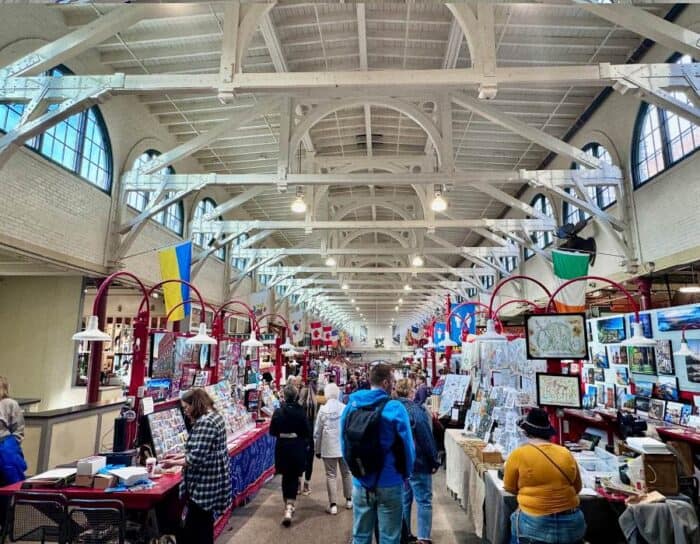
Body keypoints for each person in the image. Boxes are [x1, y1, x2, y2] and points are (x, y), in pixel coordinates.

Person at [341, 363, 416, 544]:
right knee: (390, 537)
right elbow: (408, 447)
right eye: (392, 381)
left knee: (360, 536)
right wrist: (406, 473)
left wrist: (356, 471)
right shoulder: (395, 408)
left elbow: (344, 444)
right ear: (385, 383)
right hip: (391, 480)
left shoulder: (351, 406)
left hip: (361, 481)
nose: (394, 384)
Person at [503, 408, 585, 544]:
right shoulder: (565, 453)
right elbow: (577, 487)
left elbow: (510, 488)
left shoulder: (518, 455)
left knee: (513, 519)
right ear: (548, 433)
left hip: (534, 524)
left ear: (526, 432)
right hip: (572, 525)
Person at [161, 388, 231, 544]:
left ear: (195, 405)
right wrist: (178, 456)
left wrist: (171, 463)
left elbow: (195, 458)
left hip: (204, 483)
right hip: (214, 478)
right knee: (204, 525)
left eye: (186, 407)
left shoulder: (205, 423)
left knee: (197, 527)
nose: (185, 411)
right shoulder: (215, 417)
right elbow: (205, 450)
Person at [395, 379, 440, 544]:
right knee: (424, 501)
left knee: (405, 499)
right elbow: (426, 438)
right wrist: (434, 461)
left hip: (400, 464)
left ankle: (404, 534)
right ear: (410, 392)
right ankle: (423, 538)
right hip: (418, 463)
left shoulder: (392, 409)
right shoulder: (416, 411)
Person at [270, 385, 310, 527]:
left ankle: (287, 504)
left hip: (282, 448)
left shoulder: (278, 412)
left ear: (284, 397)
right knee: (293, 476)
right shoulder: (301, 412)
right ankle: (290, 505)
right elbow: (307, 431)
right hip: (297, 447)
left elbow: (272, 431)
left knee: (286, 476)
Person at [314, 382, 353, 515]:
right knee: (347, 473)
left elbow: (317, 432)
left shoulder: (322, 410)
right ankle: (349, 500)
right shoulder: (345, 408)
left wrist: (317, 449)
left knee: (331, 475)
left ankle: (333, 505)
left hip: (328, 447)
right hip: (343, 446)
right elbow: (350, 429)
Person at [299, 379, 318, 495]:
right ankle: (306, 485)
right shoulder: (316, 406)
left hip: (299, 438)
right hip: (311, 437)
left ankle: (297, 484)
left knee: (299, 460)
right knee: (309, 461)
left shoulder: (298, 408)